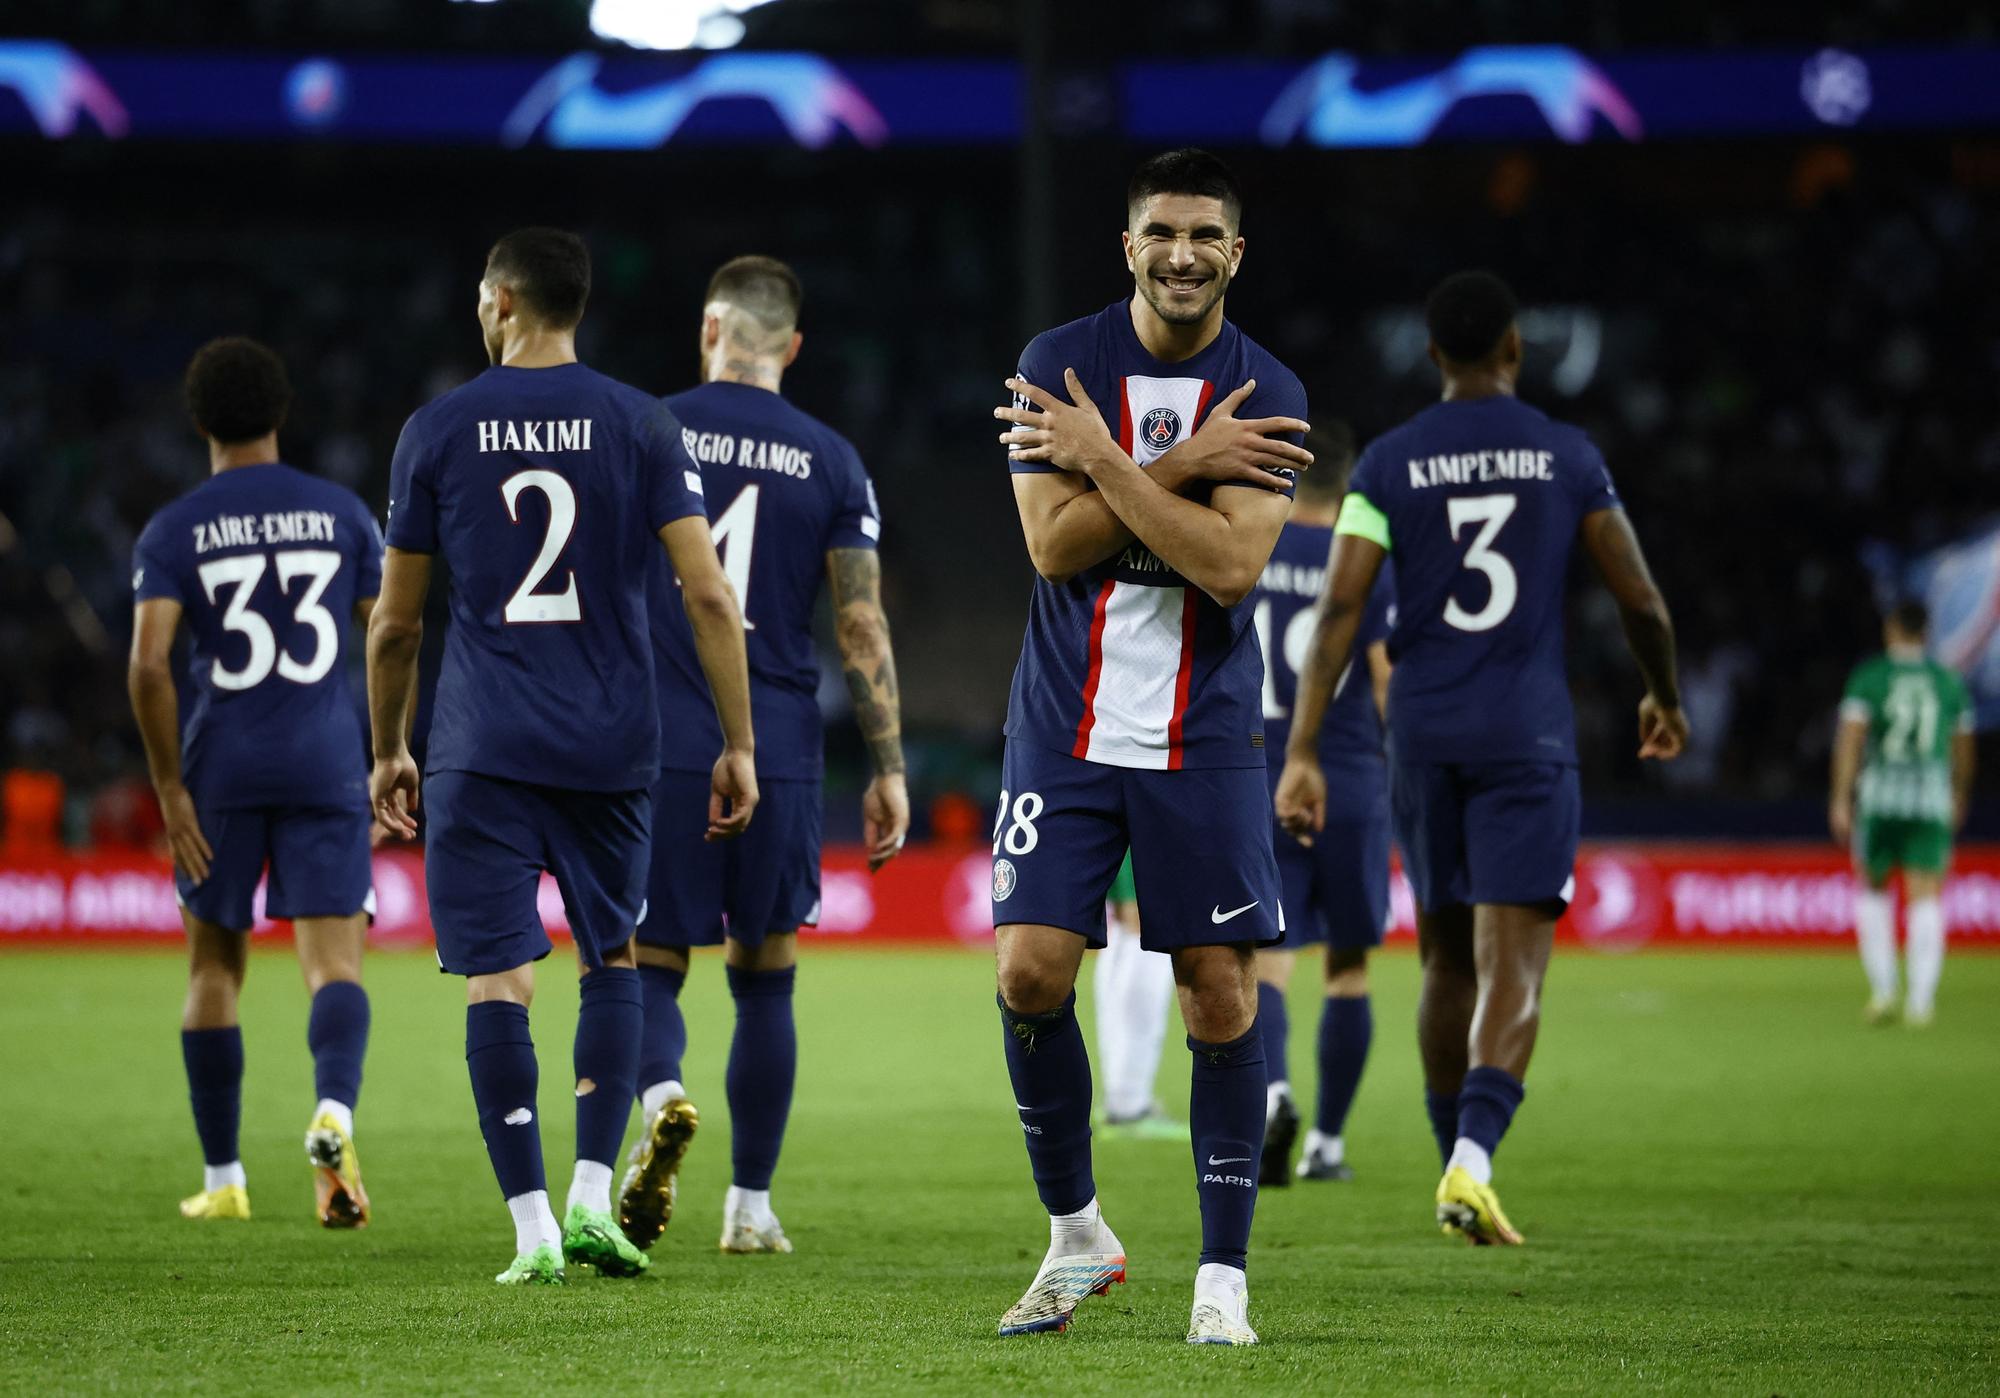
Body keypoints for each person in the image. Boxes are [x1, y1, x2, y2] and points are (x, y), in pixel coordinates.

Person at [366, 227, 758, 1285]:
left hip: (481, 744)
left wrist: (390, 749)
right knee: (611, 959)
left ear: (498, 300)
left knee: (497, 980)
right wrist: (736, 742)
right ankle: (595, 1197)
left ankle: (534, 1229)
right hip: (615, 744)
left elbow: (396, 625)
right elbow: (709, 593)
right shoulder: (641, 421)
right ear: (574, 305)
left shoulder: (436, 430)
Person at [1276, 270, 1687, 1248]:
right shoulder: (1565, 456)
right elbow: (1637, 596)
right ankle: (1471, 1160)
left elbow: (1338, 611)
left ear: (1432, 357)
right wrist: (1661, 693)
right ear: (1512, 348)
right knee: (1517, 966)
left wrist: (1301, 748)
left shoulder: (1384, 463)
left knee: (1442, 960)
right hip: (1524, 737)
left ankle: (1446, 1159)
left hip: (1419, 734)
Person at [989, 148, 1314, 1345]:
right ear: (1127, 246)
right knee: (1028, 971)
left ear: (1235, 254)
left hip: (1204, 734)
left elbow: (1229, 566)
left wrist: (1107, 463)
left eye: (1204, 236)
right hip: (1062, 728)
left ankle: (1221, 1278)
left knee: (1218, 994)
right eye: (1160, 232)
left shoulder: (1268, 391)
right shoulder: (1053, 366)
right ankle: (1076, 1236)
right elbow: (1050, 548)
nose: (1181, 254)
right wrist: (1178, 467)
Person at [619, 255, 909, 1258]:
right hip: (779, 743)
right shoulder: (832, 461)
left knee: (649, 963)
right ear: (790, 346)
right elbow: (860, 628)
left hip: (656, 734)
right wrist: (887, 766)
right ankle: (749, 1207)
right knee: (765, 973)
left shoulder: (643, 425)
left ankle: (660, 1095)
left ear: (710, 329)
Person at [128, 337, 381, 1228]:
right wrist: (390, 750)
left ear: (199, 422)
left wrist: (168, 788)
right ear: (281, 415)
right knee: (334, 965)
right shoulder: (341, 512)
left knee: (213, 967)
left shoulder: (175, 529)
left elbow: (150, 666)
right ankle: (334, 1113)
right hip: (324, 759)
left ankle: (226, 1177)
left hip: (221, 768)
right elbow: (388, 633)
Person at [1249, 424, 1394, 1186]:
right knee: (1347, 967)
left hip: (1262, 774)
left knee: (1267, 961)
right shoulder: (1363, 559)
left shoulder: (1253, 548)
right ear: (1349, 488)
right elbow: (1381, 677)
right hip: (1348, 777)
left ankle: (1273, 1094)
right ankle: (1328, 1145)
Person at [1829, 600, 1976, 1026]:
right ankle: (1921, 1002)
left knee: (1873, 887)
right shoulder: (1948, 681)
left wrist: (1841, 796)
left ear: (1891, 630)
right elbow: (1963, 747)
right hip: (1930, 797)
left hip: (1880, 797)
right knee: (1925, 893)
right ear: (1927, 633)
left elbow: (1851, 740)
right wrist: (1959, 793)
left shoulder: (1870, 677)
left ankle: (1884, 991)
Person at [1090, 854, 1184, 1140]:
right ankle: (1128, 1103)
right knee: (1147, 917)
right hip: (1144, 812)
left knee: (1123, 917)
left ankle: (1121, 1094)